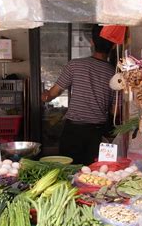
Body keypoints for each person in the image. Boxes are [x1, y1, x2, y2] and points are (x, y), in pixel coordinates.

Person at [41, 25, 117, 165]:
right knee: (93, 176)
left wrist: (45, 96)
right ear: (113, 46)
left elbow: (55, 92)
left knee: (68, 171)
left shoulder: (74, 65)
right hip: (97, 134)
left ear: (92, 43)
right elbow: (114, 110)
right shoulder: (114, 74)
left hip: (73, 132)